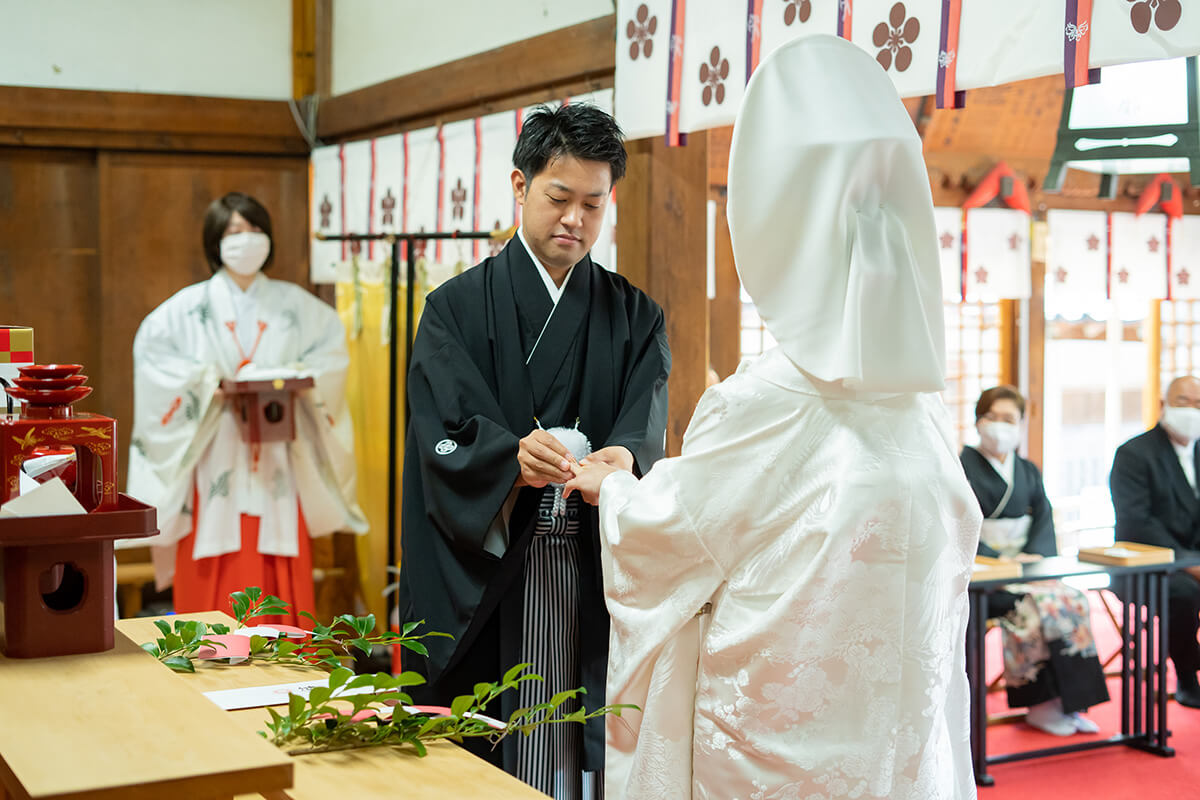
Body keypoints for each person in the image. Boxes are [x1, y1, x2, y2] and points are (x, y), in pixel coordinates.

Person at [564, 35, 980, 799]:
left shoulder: (762, 402)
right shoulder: (919, 409)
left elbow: (675, 537)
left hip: (778, 756)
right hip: (896, 751)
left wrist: (616, 490)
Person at [397, 103, 670, 798]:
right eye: (558, 198)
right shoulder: (454, 309)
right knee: (495, 735)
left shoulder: (635, 315)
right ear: (519, 187)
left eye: (592, 203)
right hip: (496, 566)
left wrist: (622, 459)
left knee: (578, 727)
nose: (574, 219)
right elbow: (440, 428)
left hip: (587, 557)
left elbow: (643, 421)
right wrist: (503, 459)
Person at [127, 192, 366, 624]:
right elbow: (155, 362)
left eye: (255, 230)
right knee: (214, 549)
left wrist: (290, 377)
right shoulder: (184, 310)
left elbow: (329, 359)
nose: (246, 240)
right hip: (216, 448)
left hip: (278, 449)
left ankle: (286, 668)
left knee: (280, 555)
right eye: (234, 232)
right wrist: (207, 382)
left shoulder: (297, 307)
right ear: (215, 242)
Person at [961, 385, 1108, 735]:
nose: (1000, 425)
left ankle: (1070, 704)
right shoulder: (960, 467)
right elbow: (960, 529)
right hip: (985, 575)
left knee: (1071, 599)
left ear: (1021, 423)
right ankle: (1040, 705)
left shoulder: (1027, 470)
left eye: (1009, 419)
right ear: (978, 421)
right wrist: (999, 561)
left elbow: (1043, 518)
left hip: (1027, 567)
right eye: (991, 417)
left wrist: (1038, 561)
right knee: (1036, 607)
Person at [1111, 375, 1200, 708]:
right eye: (1183, 401)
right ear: (1163, 405)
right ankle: (1188, 678)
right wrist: (1189, 564)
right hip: (1146, 565)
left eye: (1198, 403)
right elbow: (1137, 523)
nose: (1191, 410)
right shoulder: (1134, 454)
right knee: (1184, 592)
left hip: (1193, 559)